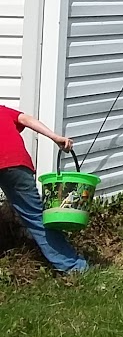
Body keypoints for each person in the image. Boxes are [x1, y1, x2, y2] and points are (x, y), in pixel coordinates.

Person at [0, 104, 88, 274]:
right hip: (16, 163)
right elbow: (26, 119)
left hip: (14, 161)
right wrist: (55, 137)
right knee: (36, 216)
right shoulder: (2, 110)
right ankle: (73, 267)